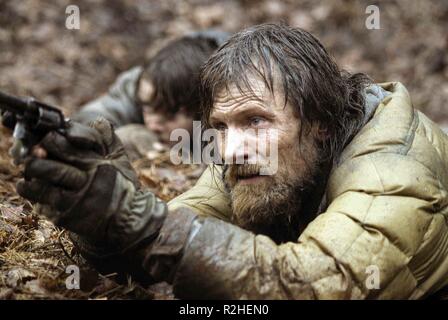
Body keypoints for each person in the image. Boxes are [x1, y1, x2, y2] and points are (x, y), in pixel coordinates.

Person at [16, 23, 448, 299]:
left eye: (256, 120)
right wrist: (104, 219)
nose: (230, 149)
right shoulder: (248, 158)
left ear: (320, 123)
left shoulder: (390, 171)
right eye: (220, 127)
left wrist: (144, 222)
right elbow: (167, 241)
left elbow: (319, 286)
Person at [73, 30, 229, 159]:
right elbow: (89, 118)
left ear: (203, 110)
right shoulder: (147, 85)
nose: (153, 125)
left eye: (169, 115)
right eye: (148, 109)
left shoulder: (231, 107)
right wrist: (115, 139)